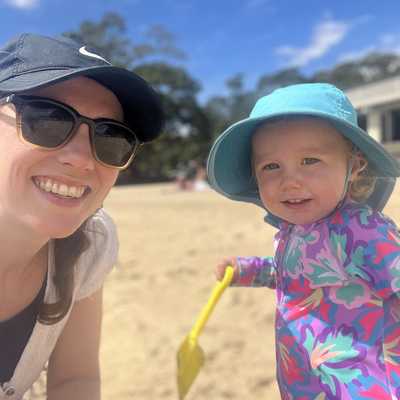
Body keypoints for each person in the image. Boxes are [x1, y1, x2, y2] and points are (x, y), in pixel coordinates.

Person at [207, 83, 400, 399]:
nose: (290, 181)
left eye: (310, 160)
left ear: (355, 166)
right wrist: (246, 270)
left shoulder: (361, 229)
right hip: (305, 384)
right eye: (271, 166)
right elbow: (295, 274)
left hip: (363, 387)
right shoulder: (293, 230)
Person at [0, 33, 164, 399]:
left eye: (112, 137)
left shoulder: (90, 245)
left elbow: (75, 378)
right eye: (47, 119)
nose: (82, 158)